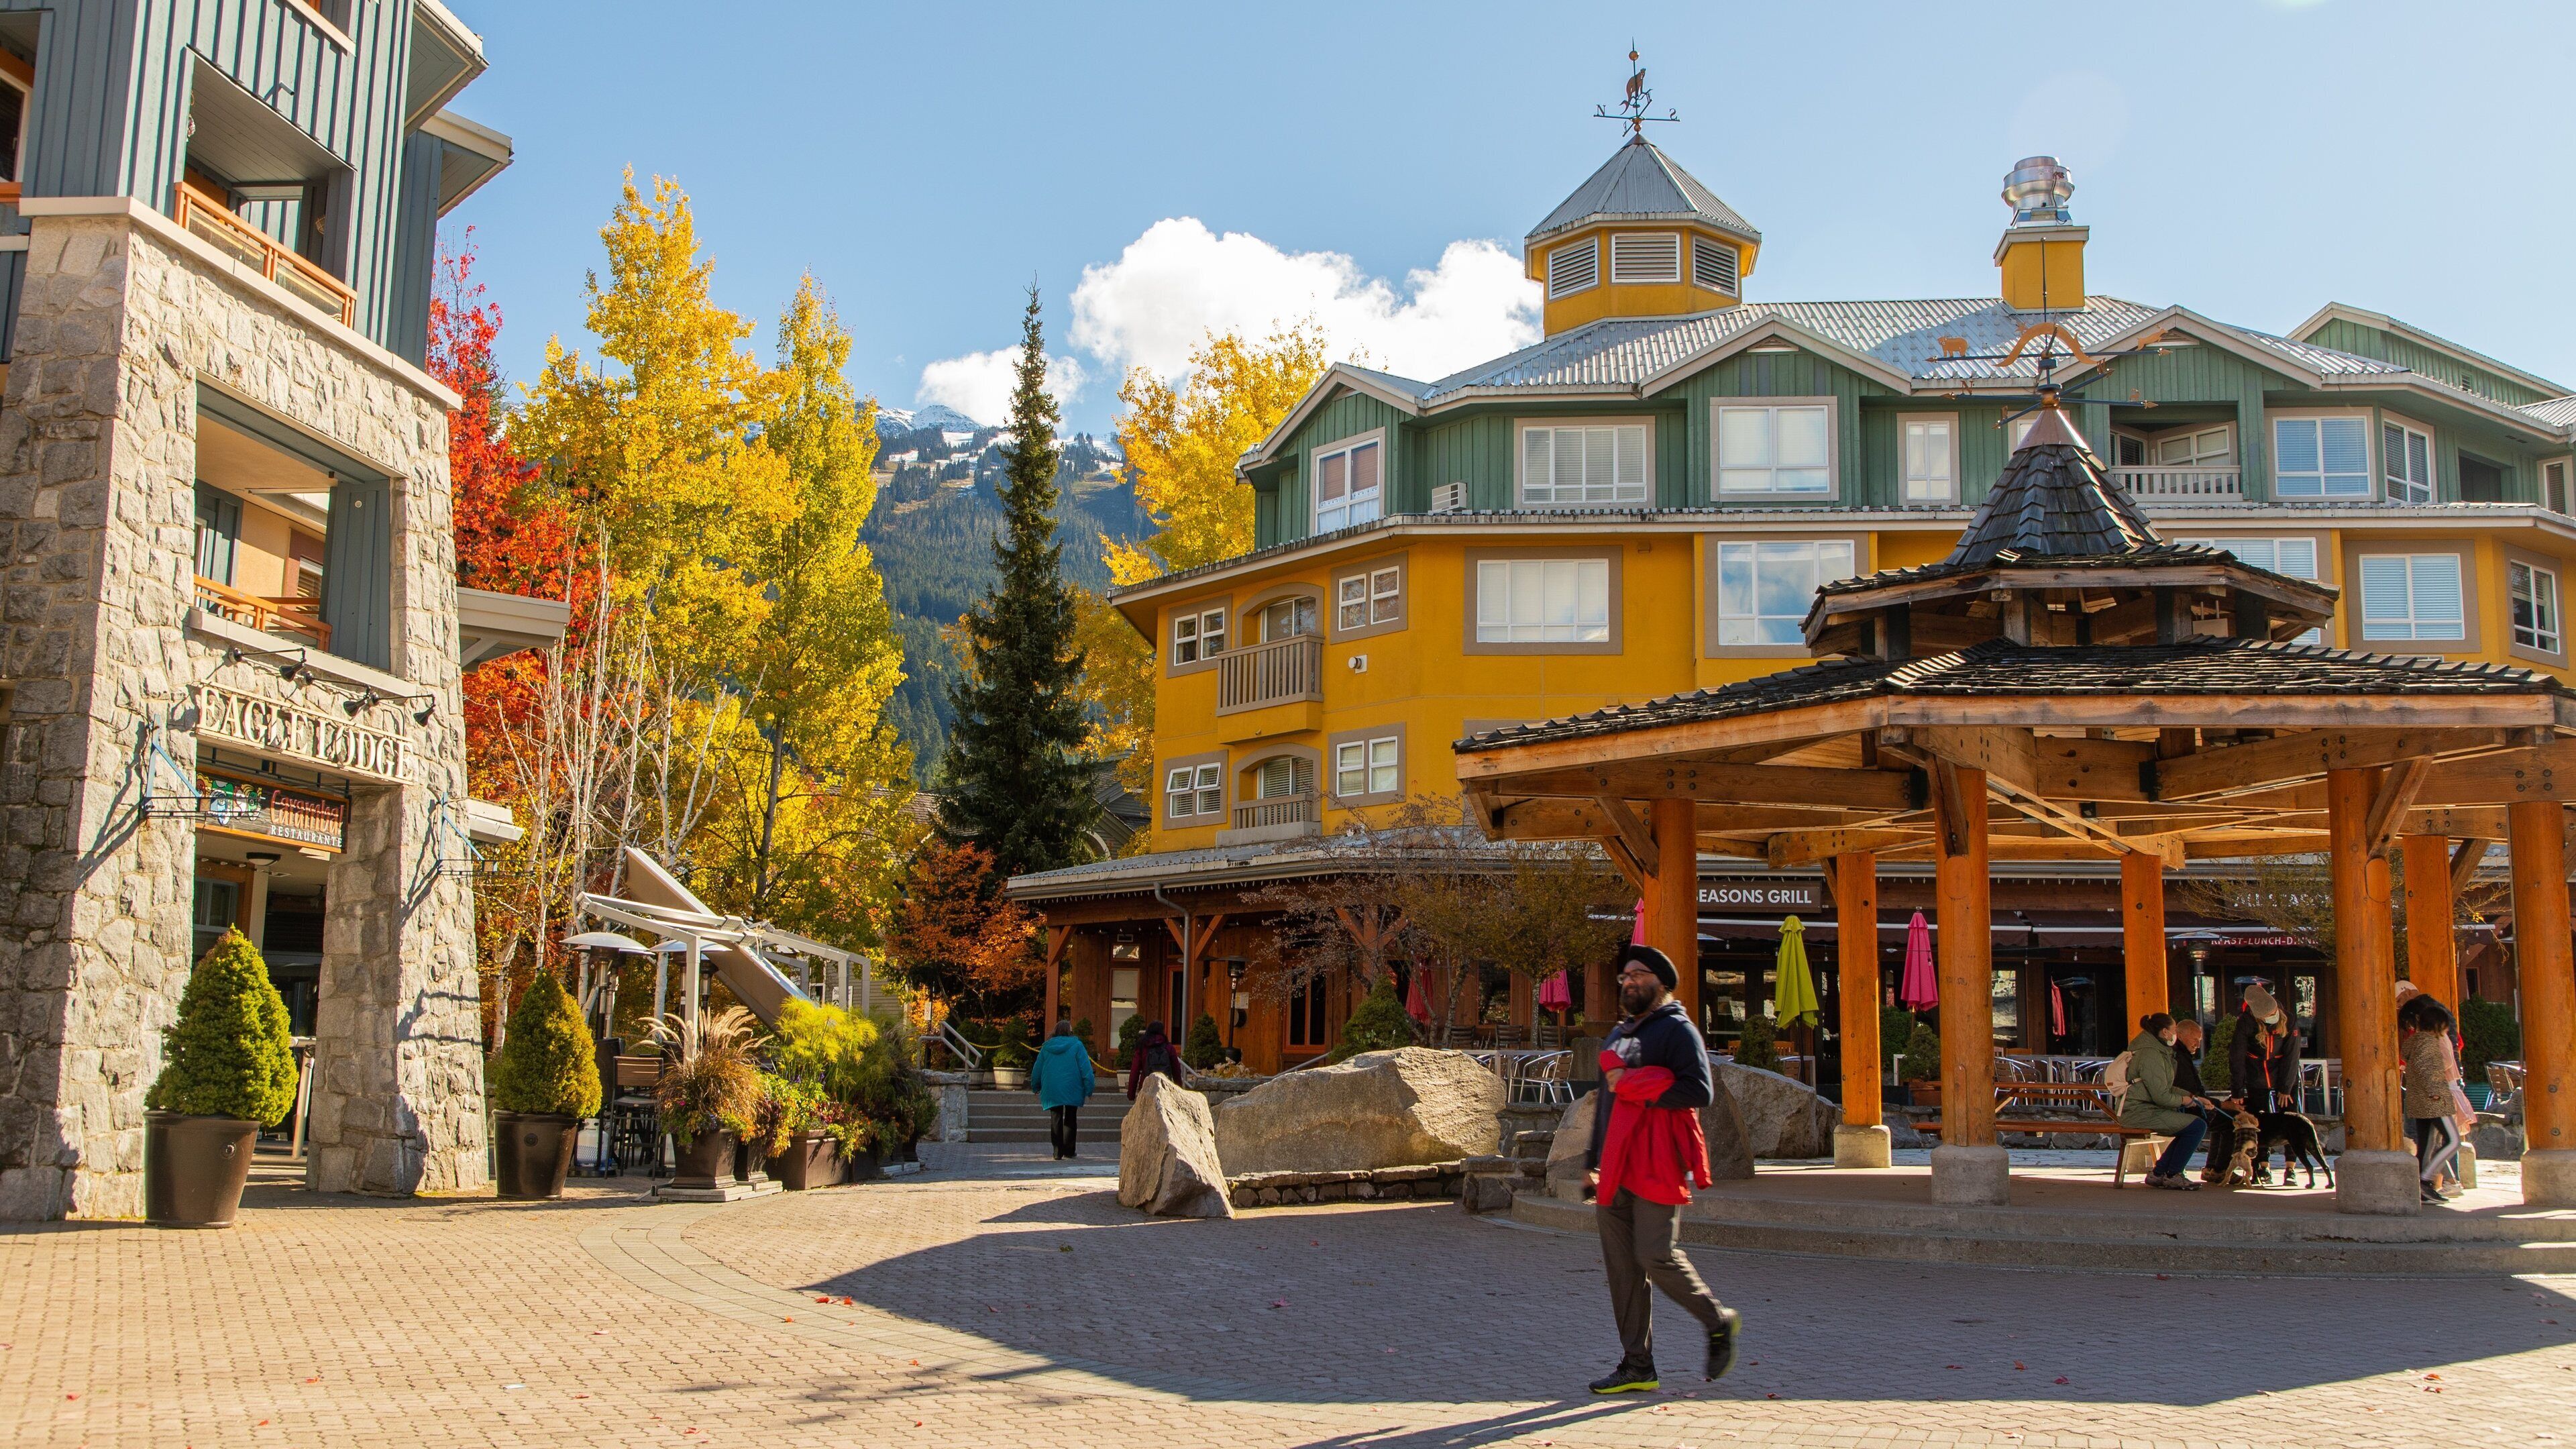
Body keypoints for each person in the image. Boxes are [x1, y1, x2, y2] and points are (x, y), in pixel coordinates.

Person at [1580, 944, 1741, 1395]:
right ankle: (1638, 1365)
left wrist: (1637, 1086)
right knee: (1622, 1270)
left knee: (1654, 1255)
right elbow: (1605, 1102)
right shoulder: (1619, 1034)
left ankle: (1717, 1320)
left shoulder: (1678, 1030)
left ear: (1660, 983)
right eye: (1624, 976)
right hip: (1614, 1165)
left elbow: (1699, 1091)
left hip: (1656, 1162)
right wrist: (1590, 1162)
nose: (1628, 982)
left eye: (1638, 975)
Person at [2120, 1013, 2210, 1191]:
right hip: (2140, 1111)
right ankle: (2173, 1174)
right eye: (2175, 1030)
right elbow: (2161, 1095)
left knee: (2188, 1127)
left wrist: (2194, 1098)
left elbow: (2165, 1087)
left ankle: (2160, 1173)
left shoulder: (2155, 1050)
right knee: (2197, 1126)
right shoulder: (2151, 1054)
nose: (2176, 1035)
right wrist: (2184, 1101)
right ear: (2165, 1032)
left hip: (2145, 1108)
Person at [2399, 993, 2472, 1205]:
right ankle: (2425, 1179)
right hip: (2435, 1096)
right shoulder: (2431, 1042)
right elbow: (2427, 1069)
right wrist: (2435, 1092)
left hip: (2424, 1097)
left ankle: (2422, 1184)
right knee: (2453, 1141)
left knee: (2427, 1143)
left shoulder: (2418, 1041)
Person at [2169, 1018, 2239, 1184]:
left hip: (2191, 1103)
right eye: (2195, 1040)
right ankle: (2219, 1169)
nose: (2198, 1045)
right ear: (2180, 1035)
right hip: (2185, 1107)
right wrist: (2220, 1104)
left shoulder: (2181, 1054)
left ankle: (2212, 1168)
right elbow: (2189, 1092)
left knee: (2221, 1117)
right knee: (2232, 1121)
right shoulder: (2178, 1056)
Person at [2229, 983, 2302, 1115]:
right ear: (2259, 1017)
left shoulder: (2289, 1020)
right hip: (2256, 1074)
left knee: (2289, 1116)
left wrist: (2286, 1088)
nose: (2273, 1015)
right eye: (2269, 1015)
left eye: (2274, 1012)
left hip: (2284, 1071)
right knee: (2258, 1117)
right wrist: (2237, 1091)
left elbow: (2292, 1055)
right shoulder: (2246, 1023)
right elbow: (2237, 1058)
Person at [1030, 1020, 1095, 1161]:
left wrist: (1035, 1086)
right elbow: (1086, 1069)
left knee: (1056, 1118)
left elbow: (1037, 1068)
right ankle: (1070, 1150)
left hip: (1052, 1087)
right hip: (1073, 1086)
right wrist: (1089, 1089)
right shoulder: (1077, 1045)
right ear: (1069, 1031)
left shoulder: (1046, 1047)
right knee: (1071, 1118)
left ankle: (1057, 1151)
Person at [1126, 1020, 1183, 1100]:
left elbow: (1135, 1071)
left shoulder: (1143, 1047)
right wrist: (1179, 1091)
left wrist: (1131, 1094)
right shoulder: (1169, 1047)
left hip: (1146, 1087)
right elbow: (1176, 1071)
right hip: (1165, 1088)